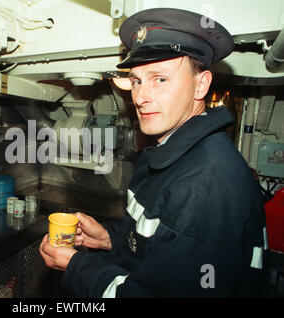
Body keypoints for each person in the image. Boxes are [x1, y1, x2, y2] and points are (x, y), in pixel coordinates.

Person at [39, 7, 267, 297]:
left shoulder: (206, 187)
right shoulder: (171, 149)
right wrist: (109, 238)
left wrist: (75, 266)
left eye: (160, 79)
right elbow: (155, 244)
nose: (141, 97)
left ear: (201, 84)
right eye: (137, 80)